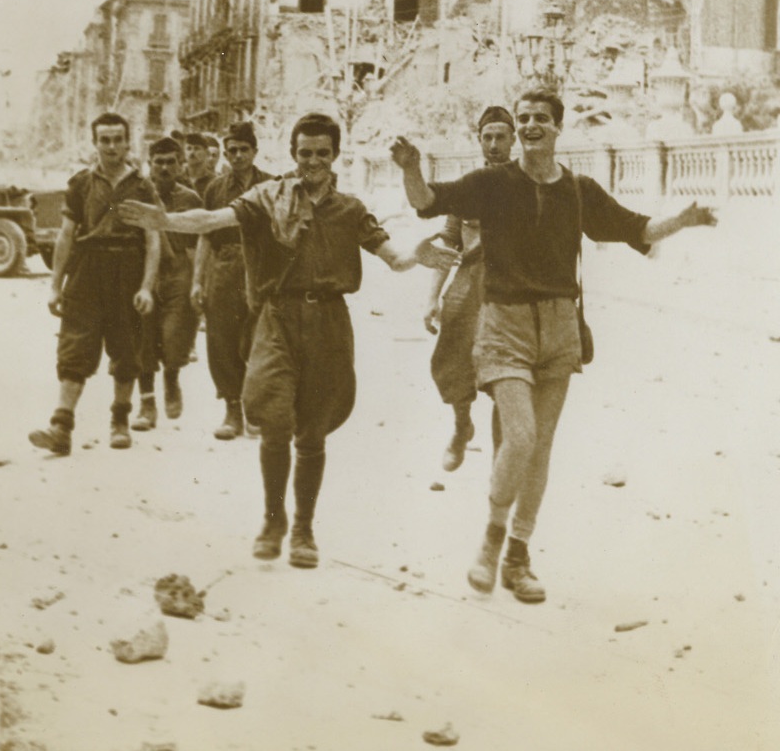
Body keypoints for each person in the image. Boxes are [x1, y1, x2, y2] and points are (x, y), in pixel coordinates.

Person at [391, 87, 717, 604]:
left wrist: (684, 219)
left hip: (560, 326)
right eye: (523, 118)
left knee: (539, 448)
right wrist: (410, 167)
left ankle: (518, 557)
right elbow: (430, 202)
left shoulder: (579, 190)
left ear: (559, 127)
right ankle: (490, 544)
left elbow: (636, 229)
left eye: (540, 117)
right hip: (504, 324)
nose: (529, 125)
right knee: (519, 436)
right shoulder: (493, 183)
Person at [120, 111, 458, 569]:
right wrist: (166, 221)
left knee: (313, 431)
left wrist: (417, 255)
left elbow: (392, 256)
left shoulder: (351, 210)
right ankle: (273, 519)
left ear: (335, 155)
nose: (313, 161)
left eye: (322, 153)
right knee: (274, 419)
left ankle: (303, 529)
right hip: (277, 318)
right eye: (304, 153)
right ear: (293, 155)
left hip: (329, 326)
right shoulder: (265, 197)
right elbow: (212, 219)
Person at [29, 112, 162, 456]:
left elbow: (153, 240)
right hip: (87, 272)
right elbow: (66, 236)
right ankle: (61, 427)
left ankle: (120, 420)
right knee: (75, 347)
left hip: (127, 269)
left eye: (118, 139)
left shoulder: (143, 186)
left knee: (126, 348)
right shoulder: (81, 184)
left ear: (127, 141)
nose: (112, 146)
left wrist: (146, 286)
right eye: (105, 139)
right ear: (95, 142)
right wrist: (55, 284)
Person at [423, 106, 515, 472]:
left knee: (506, 373)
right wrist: (432, 297)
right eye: (487, 137)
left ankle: (500, 461)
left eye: (501, 137)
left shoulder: (526, 184)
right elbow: (448, 242)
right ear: (479, 141)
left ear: (513, 140)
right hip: (467, 284)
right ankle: (462, 426)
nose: (494, 144)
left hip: (509, 286)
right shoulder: (467, 187)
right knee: (453, 363)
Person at [191, 121, 273, 440]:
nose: (238, 156)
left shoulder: (270, 185)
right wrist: (198, 281)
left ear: (254, 152)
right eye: (232, 150)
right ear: (225, 153)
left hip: (261, 267)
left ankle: (256, 410)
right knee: (222, 339)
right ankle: (232, 410)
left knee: (261, 338)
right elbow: (205, 237)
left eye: (243, 150)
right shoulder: (215, 188)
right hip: (224, 266)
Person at [132, 137, 203, 430]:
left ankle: (172, 379)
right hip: (145, 273)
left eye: (170, 162)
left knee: (175, 339)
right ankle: (147, 404)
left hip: (178, 273)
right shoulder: (137, 193)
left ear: (180, 164)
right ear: (150, 164)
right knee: (143, 338)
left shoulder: (190, 199)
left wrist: (198, 281)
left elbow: (199, 244)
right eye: (158, 162)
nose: (164, 167)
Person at [183, 131, 216, 201]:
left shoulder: (214, 182)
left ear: (206, 153)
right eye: (188, 148)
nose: (192, 152)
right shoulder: (177, 178)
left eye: (196, 148)